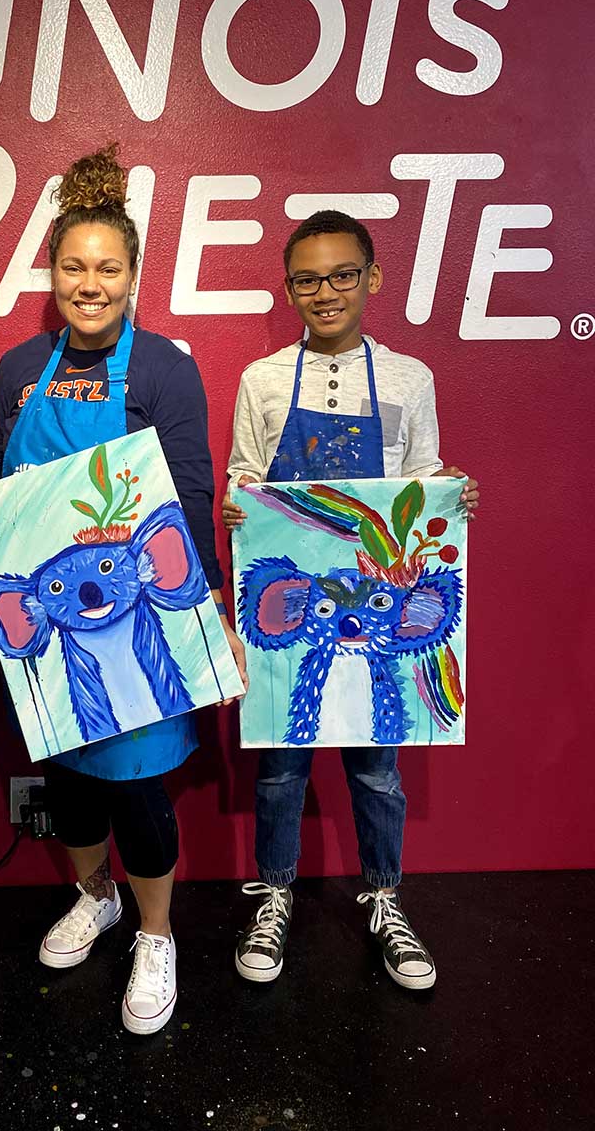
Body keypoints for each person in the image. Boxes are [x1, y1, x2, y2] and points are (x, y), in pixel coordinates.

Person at [0, 144, 247, 1035]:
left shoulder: (163, 370)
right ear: (52, 274)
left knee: (136, 787)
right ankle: (96, 896)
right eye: (74, 266)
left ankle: (156, 935)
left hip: (137, 622)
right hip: (47, 627)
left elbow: (190, 490)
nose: (90, 284)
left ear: (133, 276)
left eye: (108, 268)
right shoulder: (18, 367)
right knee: (67, 779)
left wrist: (211, 609)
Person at [223, 209, 478, 992]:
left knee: (377, 773)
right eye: (307, 280)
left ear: (372, 278)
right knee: (280, 770)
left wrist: (452, 497)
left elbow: (424, 476)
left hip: (377, 613)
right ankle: (274, 893)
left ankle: (385, 897)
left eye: (341, 275)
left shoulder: (409, 379)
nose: (325, 292)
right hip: (300, 608)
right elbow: (243, 473)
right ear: (289, 289)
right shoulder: (264, 380)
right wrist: (236, 502)